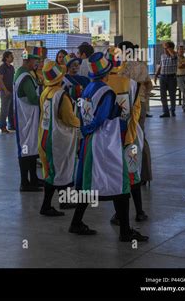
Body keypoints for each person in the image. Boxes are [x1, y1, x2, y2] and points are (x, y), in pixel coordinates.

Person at [76, 52, 149, 242]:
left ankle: (76, 222)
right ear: (108, 72)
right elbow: (103, 118)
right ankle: (126, 230)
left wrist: (84, 130)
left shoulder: (88, 88)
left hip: (90, 142)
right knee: (123, 182)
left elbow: (83, 113)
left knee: (89, 184)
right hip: (107, 143)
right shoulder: (108, 91)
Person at [38, 62, 91, 228]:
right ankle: (46, 206)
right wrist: (83, 123)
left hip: (46, 136)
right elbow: (69, 118)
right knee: (58, 171)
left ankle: (64, 201)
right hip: (59, 139)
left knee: (58, 170)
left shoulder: (45, 92)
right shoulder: (61, 95)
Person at [105, 47, 148, 224]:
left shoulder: (103, 83)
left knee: (116, 175)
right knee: (132, 173)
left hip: (109, 138)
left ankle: (119, 215)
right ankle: (139, 212)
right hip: (128, 135)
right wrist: (131, 126)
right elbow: (136, 109)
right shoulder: (130, 82)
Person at [118, 42, 153, 185]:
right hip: (142, 104)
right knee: (140, 135)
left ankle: (130, 173)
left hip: (129, 106)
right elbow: (149, 84)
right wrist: (144, 96)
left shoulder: (124, 68)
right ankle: (145, 174)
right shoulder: (142, 65)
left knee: (130, 137)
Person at [14, 48, 45, 192]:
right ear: (28, 61)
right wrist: (46, 99)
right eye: (35, 60)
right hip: (26, 118)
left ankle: (33, 179)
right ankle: (25, 183)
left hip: (26, 117)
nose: (37, 63)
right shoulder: (25, 77)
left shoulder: (21, 73)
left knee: (31, 148)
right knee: (26, 150)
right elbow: (33, 98)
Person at [154, 41, 178, 117]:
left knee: (172, 95)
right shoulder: (162, 56)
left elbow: (173, 56)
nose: (164, 49)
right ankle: (166, 112)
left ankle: (173, 110)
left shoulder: (175, 55)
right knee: (163, 95)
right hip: (163, 77)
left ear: (170, 48)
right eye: (164, 48)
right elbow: (161, 66)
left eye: (166, 47)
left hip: (172, 77)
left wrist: (169, 50)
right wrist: (156, 75)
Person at [0, 51, 15, 133]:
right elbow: (0, 80)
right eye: (11, 56)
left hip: (11, 91)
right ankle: (3, 126)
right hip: (5, 92)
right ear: (6, 58)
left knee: (11, 109)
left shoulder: (12, 68)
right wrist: (5, 90)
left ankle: (11, 125)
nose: (13, 58)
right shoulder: (2, 67)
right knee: (4, 110)